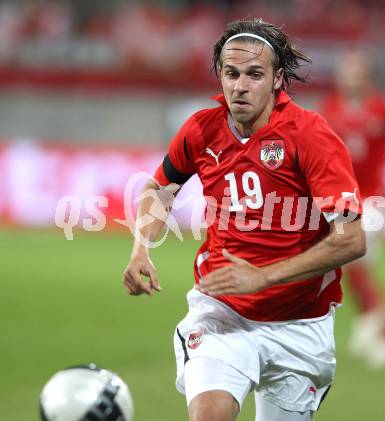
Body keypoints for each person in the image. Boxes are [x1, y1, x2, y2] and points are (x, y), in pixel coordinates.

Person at [123, 19, 366, 421]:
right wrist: (140, 249)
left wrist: (264, 276)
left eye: (254, 74)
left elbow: (353, 240)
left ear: (277, 79)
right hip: (222, 313)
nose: (240, 85)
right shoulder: (201, 129)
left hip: (299, 324)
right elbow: (159, 189)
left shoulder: (310, 135)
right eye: (230, 73)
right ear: (219, 75)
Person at [319, 50, 385, 369]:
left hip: (374, 199)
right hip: (343, 199)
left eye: (355, 72)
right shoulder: (330, 109)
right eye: (345, 72)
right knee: (350, 265)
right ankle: (373, 326)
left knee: (355, 262)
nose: (349, 78)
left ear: (367, 77)